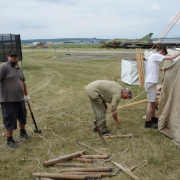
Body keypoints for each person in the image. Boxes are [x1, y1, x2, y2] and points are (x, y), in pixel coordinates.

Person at [0, 49, 31, 148]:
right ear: (8, 57)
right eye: (11, 56)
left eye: (15, 56)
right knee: (9, 119)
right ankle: (9, 139)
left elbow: (23, 82)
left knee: (23, 117)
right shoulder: (3, 67)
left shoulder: (19, 68)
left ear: (18, 58)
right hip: (8, 100)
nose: (13, 57)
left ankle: (22, 132)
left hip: (20, 99)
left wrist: (26, 95)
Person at [144, 47, 180, 129]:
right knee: (150, 104)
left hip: (150, 83)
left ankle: (152, 118)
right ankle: (147, 123)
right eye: (163, 55)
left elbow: (153, 67)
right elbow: (171, 58)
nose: (163, 56)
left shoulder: (153, 56)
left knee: (152, 103)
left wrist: (161, 68)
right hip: (151, 83)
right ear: (161, 52)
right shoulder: (156, 55)